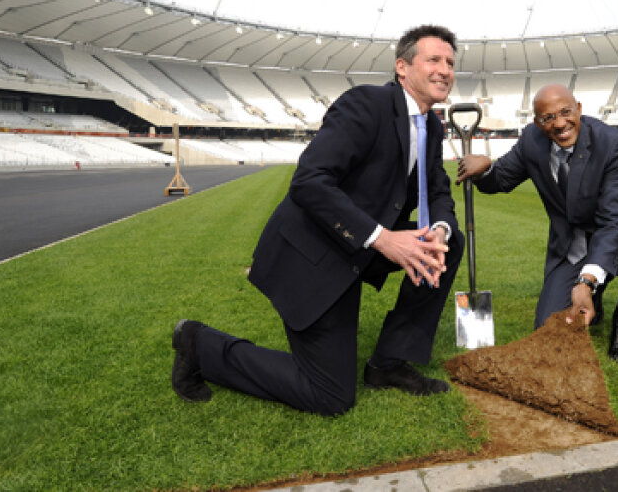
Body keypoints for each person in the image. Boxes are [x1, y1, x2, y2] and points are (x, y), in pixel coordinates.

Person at [172, 25, 464, 415]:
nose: (444, 69)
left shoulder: (430, 126)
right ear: (402, 67)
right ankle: (199, 344)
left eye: (450, 62)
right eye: (433, 60)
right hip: (317, 252)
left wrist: (438, 232)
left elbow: (438, 190)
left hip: (359, 246)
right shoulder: (366, 104)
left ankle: (389, 363)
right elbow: (308, 182)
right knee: (330, 396)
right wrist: (384, 239)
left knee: (451, 240)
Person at [456, 84, 618, 361]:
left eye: (565, 112)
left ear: (578, 109)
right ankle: (593, 296)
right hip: (572, 245)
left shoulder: (614, 144)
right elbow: (501, 179)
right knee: (551, 329)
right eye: (548, 118)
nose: (559, 124)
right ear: (537, 122)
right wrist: (484, 169)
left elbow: (611, 221)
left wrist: (587, 280)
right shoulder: (532, 140)